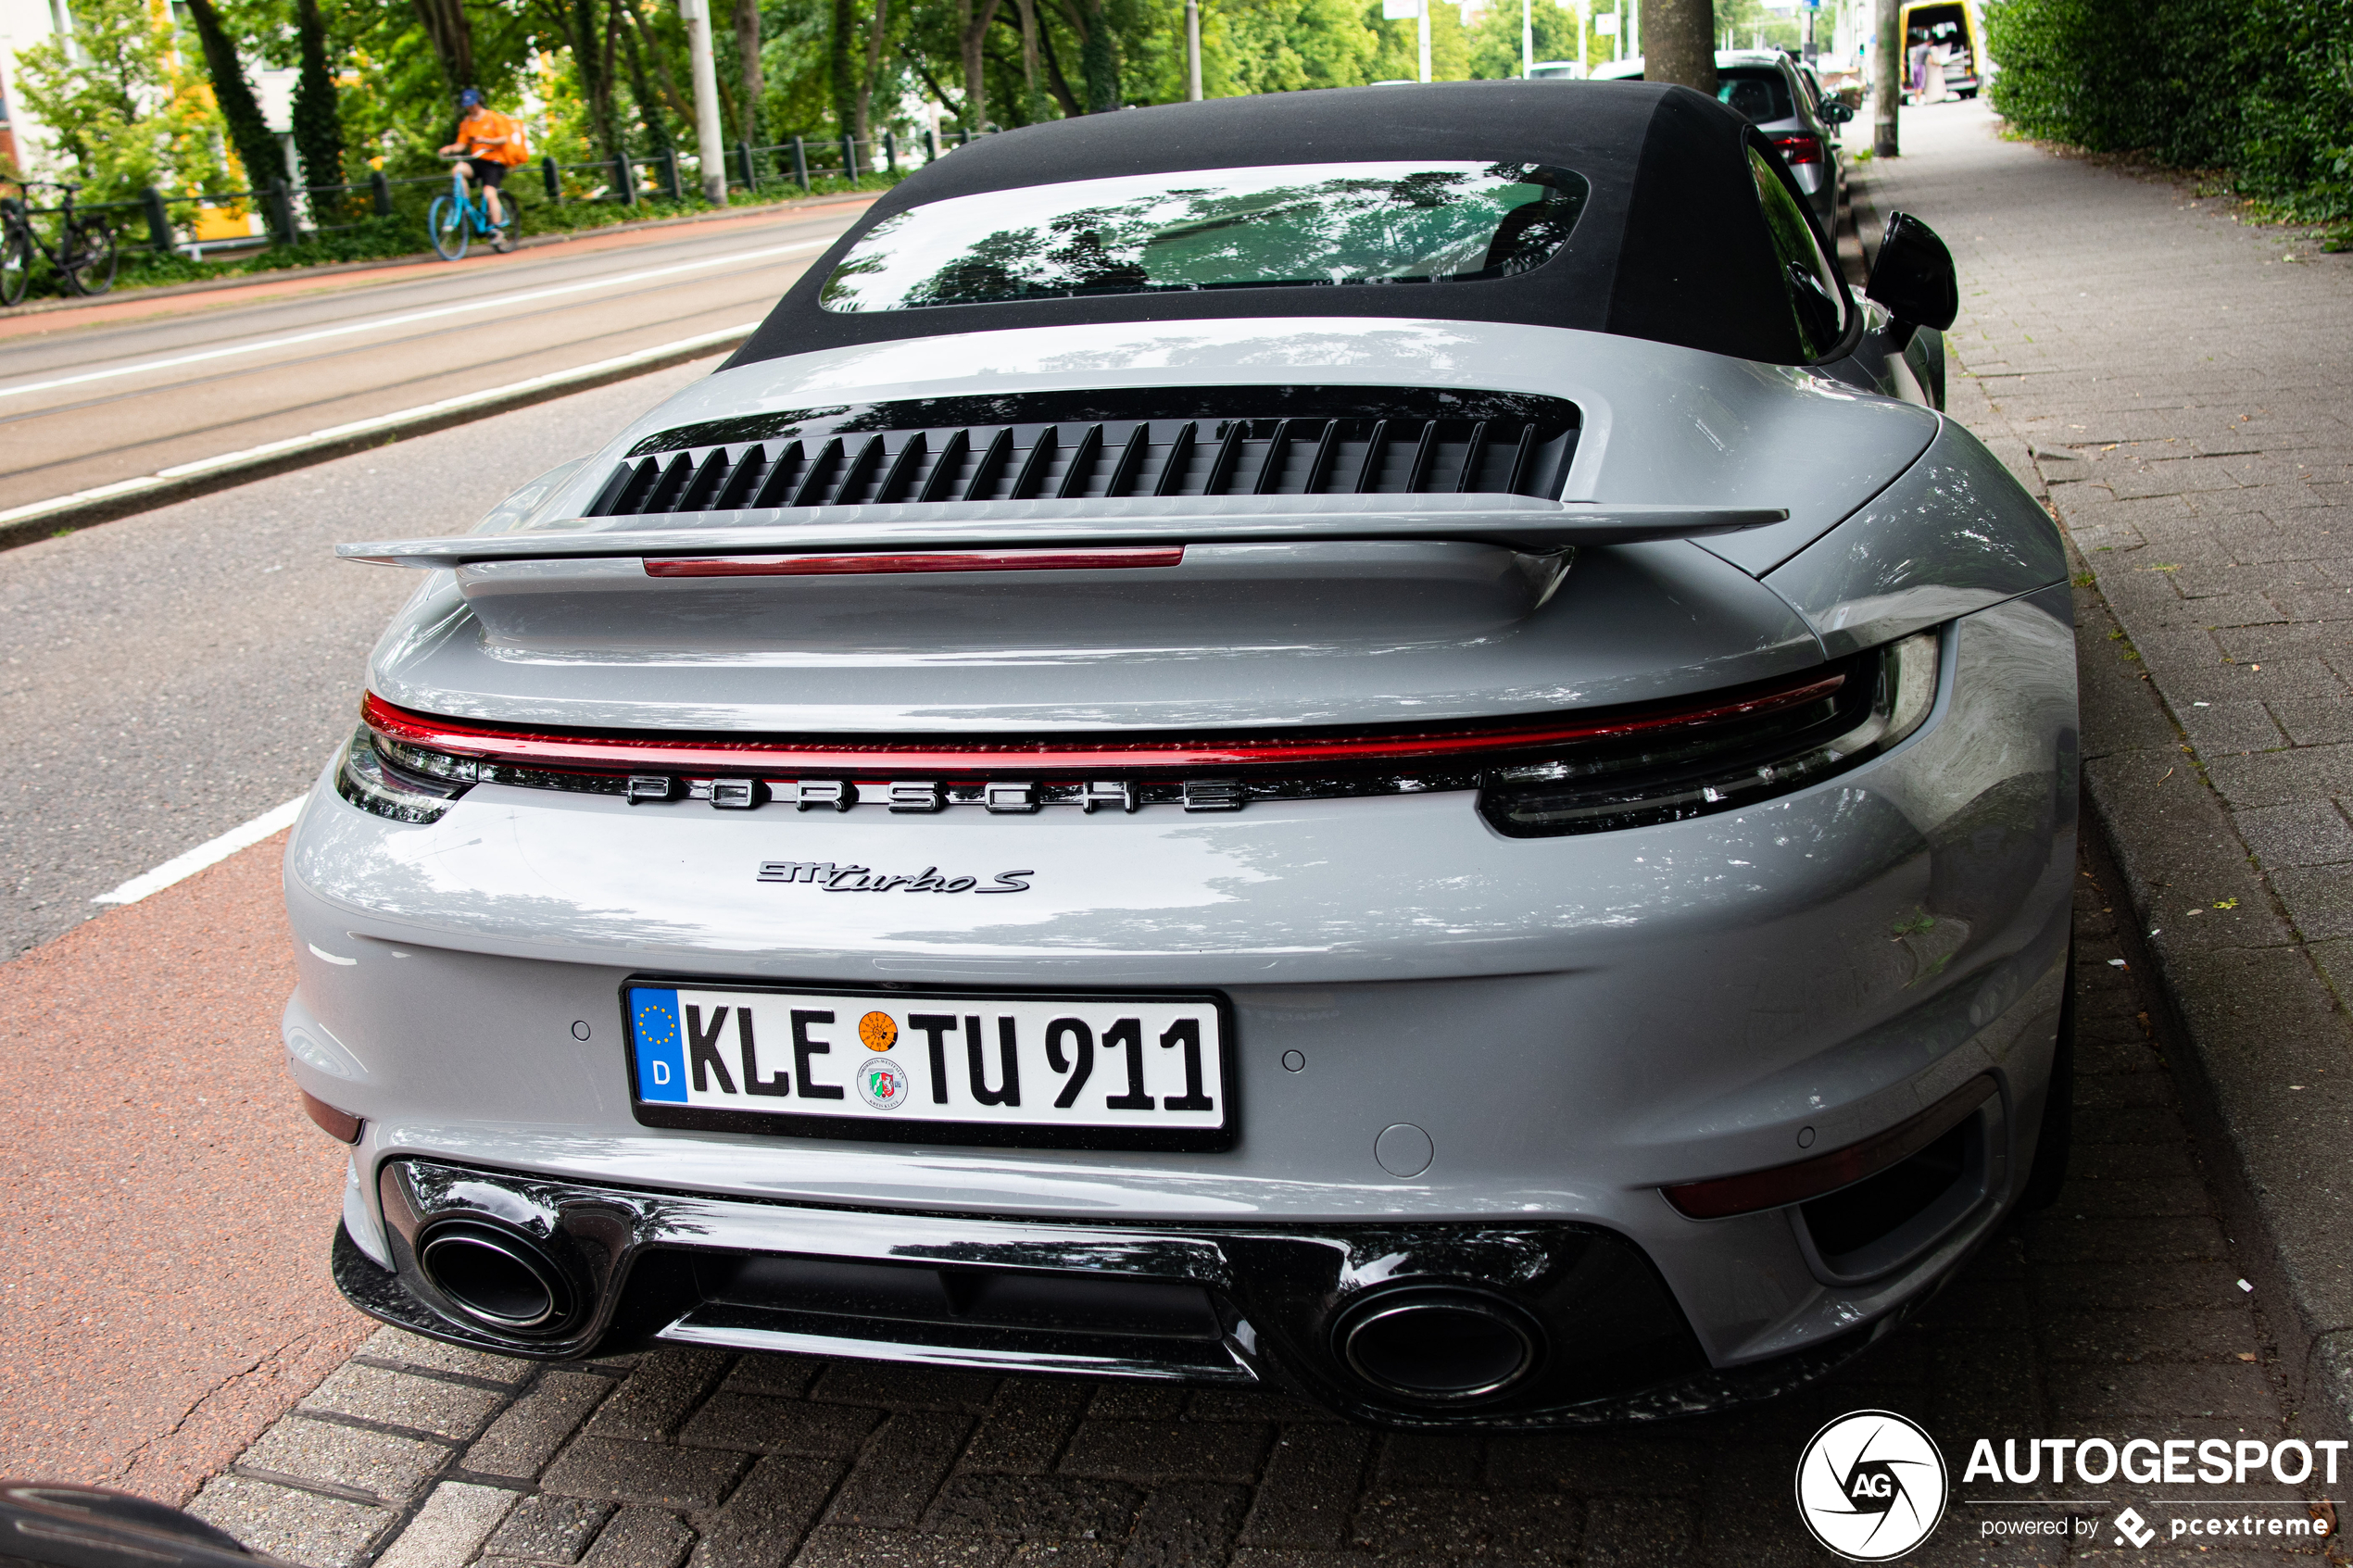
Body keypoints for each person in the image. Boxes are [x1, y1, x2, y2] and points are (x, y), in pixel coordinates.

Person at [437, 88, 526, 253]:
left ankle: (497, 229)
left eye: (473, 104)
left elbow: (504, 138)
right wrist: (449, 149)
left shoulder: (493, 118)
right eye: (467, 105)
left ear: (479, 102)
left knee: (489, 193)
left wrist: (486, 140)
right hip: (477, 160)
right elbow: (462, 144)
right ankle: (464, 204)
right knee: (458, 170)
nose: (471, 108)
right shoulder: (466, 123)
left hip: (494, 162)